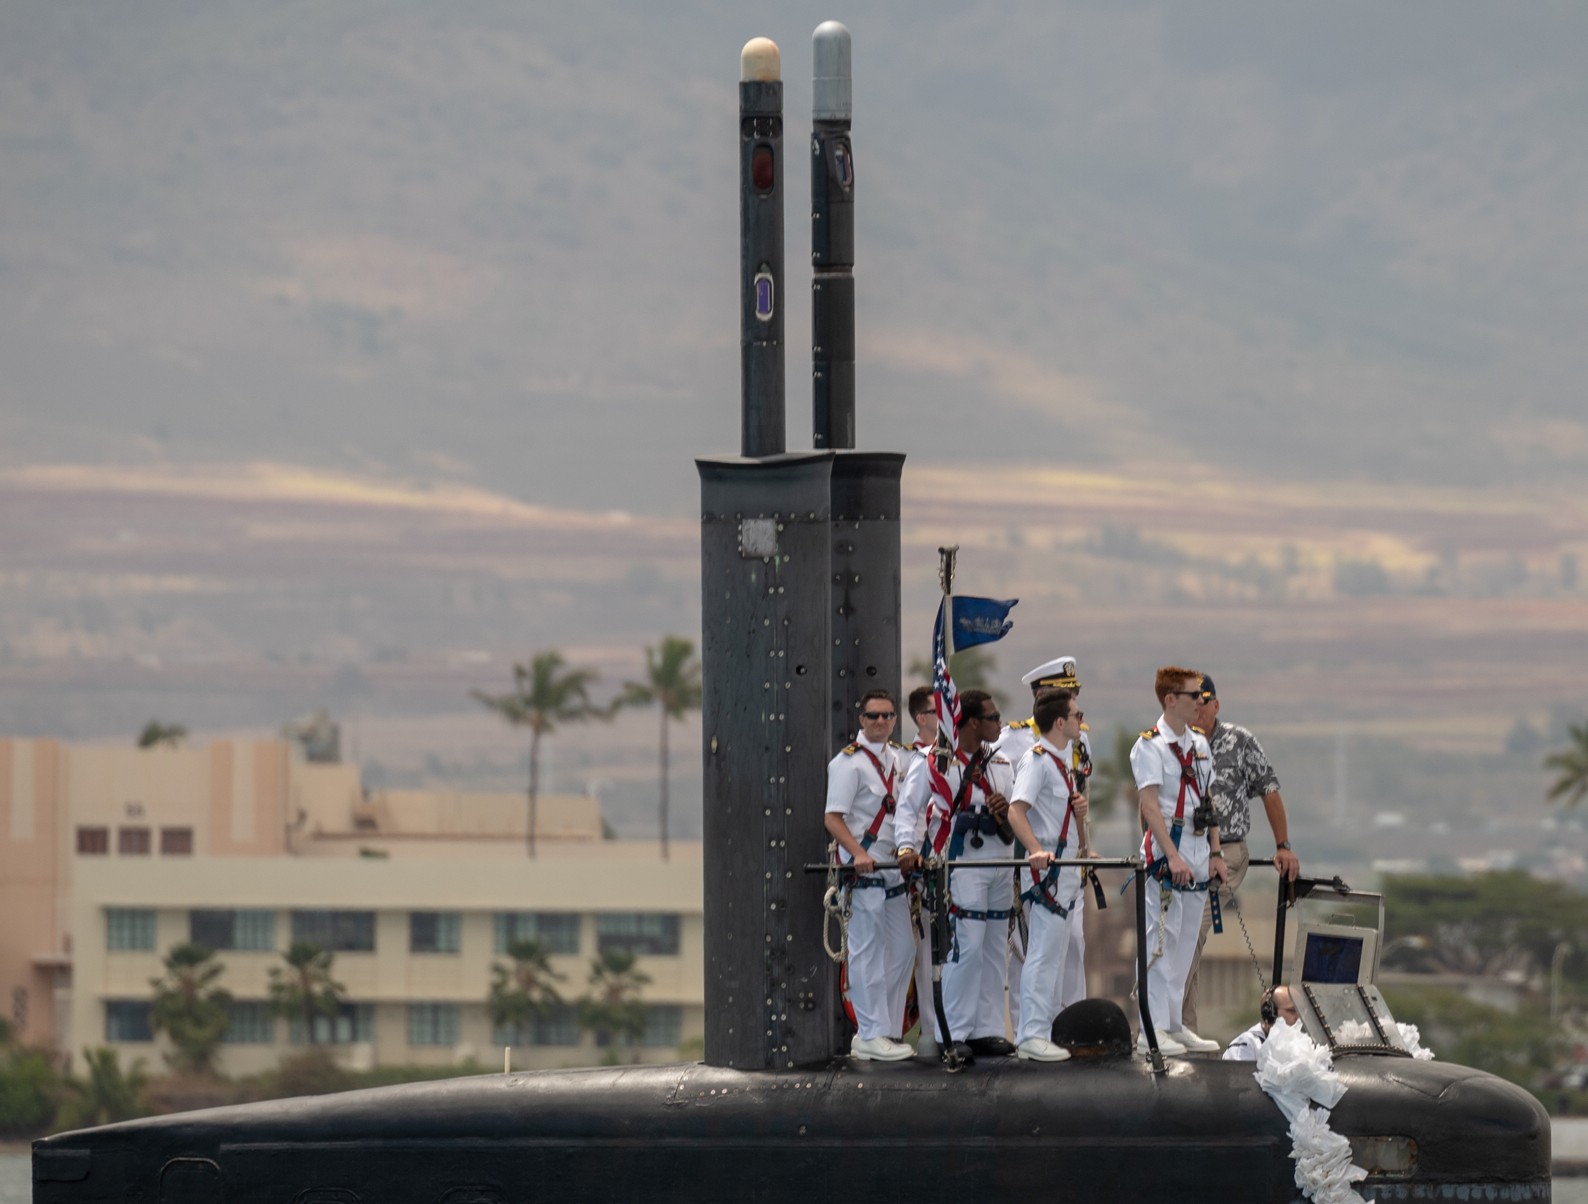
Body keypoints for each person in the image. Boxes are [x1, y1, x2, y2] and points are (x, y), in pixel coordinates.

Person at [897, 690, 1016, 1063]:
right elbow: (909, 808)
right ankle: (957, 1030)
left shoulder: (1001, 763)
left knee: (996, 946)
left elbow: (1016, 813)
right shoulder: (935, 763)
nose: (1000, 724)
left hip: (1000, 859)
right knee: (967, 945)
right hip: (962, 861)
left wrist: (1003, 809)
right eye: (993, 718)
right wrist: (905, 847)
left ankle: (987, 1027)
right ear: (972, 723)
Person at [1182, 674, 1301, 1033]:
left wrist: (1282, 846)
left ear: (1216, 705)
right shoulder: (1175, 745)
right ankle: (1180, 1026)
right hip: (1183, 852)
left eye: (1203, 704)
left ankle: (1165, 1023)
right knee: (1181, 937)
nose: (1198, 711)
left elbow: (1269, 789)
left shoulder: (1238, 740)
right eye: (1192, 704)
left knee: (1190, 933)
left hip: (1228, 852)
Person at [1131, 666, 1228, 1056]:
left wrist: (1217, 853)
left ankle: (1174, 1024)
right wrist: (1171, 856)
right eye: (1193, 696)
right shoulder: (1150, 746)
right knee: (1160, 943)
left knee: (1185, 944)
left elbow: (1208, 802)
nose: (1200, 703)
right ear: (1171, 700)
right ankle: (1150, 1031)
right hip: (1166, 853)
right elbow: (1149, 805)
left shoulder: (1199, 745)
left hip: (1199, 851)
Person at [995, 656, 1095, 1032]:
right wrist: (1032, 847)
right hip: (1038, 860)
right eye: (1070, 699)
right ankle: (1031, 1029)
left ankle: (1068, 1026)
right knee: (1034, 950)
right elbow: (1010, 802)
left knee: (1071, 946)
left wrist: (1086, 846)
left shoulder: (1078, 740)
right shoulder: (1019, 742)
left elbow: (1078, 797)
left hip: (1068, 859)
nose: (1077, 710)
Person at [824, 688, 914, 1061]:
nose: (881, 722)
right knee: (866, 953)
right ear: (862, 720)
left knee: (904, 950)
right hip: (866, 870)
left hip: (894, 871)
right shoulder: (848, 764)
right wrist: (858, 853)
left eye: (888, 716)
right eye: (874, 716)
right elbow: (833, 817)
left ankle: (887, 1027)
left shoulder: (899, 760)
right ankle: (869, 1031)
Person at [902, 683, 947, 1057]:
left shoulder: (951, 758)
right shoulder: (907, 760)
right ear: (922, 718)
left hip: (948, 866)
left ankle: (954, 1027)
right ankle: (930, 1032)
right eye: (938, 710)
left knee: (951, 952)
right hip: (918, 867)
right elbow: (908, 813)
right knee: (925, 952)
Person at [1222, 984, 1300, 1061]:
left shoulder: (1298, 1046)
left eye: (1300, 1012)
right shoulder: (1246, 1045)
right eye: (1292, 1011)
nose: (1298, 1017)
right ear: (1269, 1013)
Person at [906, 685, 939, 751]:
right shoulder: (910, 757)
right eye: (938, 711)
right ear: (922, 720)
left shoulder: (951, 752)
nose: (944, 715)